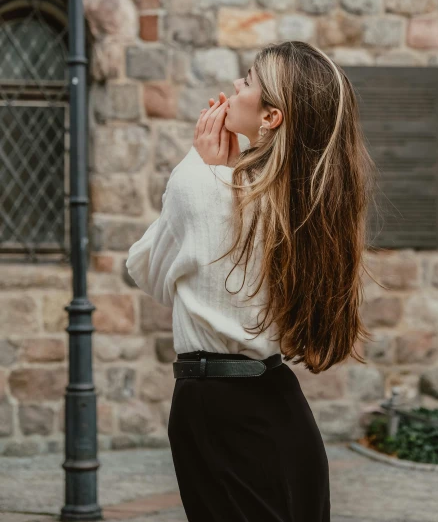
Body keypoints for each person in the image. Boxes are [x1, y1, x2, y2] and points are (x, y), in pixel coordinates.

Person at [125, 40, 374, 522]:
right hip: (280, 405)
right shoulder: (312, 203)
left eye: (248, 81)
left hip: (216, 410)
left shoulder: (198, 184)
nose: (234, 87)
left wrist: (202, 162)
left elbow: (148, 272)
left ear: (271, 118)